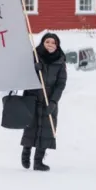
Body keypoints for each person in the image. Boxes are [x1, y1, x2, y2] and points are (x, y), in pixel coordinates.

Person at [21, 32, 67, 171]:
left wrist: (53, 102)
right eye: (48, 42)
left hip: (49, 100)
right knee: (31, 128)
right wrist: (33, 69)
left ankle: (38, 161)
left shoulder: (60, 61)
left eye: (53, 43)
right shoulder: (34, 56)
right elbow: (23, 74)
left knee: (47, 130)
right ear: (43, 43)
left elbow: (61, 84)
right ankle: (26, 154)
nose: (50, 45)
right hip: (33, 98)